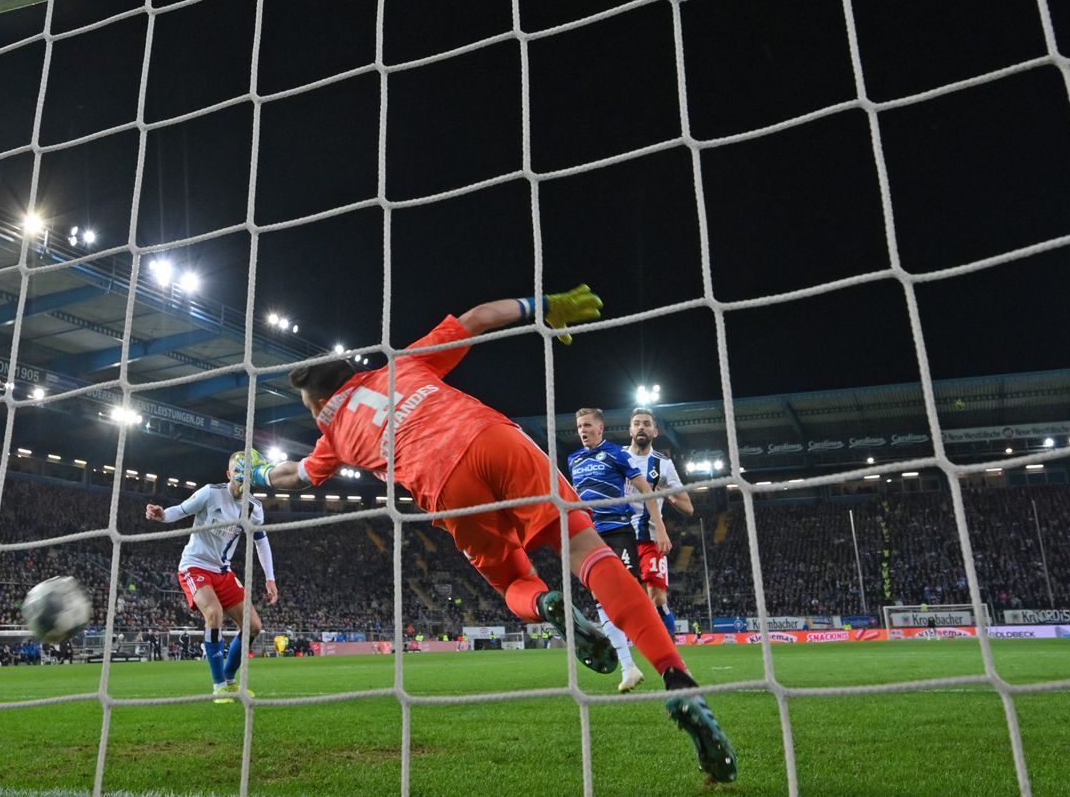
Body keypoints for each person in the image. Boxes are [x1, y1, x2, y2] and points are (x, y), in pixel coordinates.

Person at [241, 286, 736, 782]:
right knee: (585, 549)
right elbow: (475, 318)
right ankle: (677, 679)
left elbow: (293, 477)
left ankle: (546, 606)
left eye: (309, 408)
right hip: (491, 437)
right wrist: (539, 308)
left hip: (445, 486)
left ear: (322, 402)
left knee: (513, 584)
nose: (312, 415)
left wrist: (255, 474)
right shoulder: (401, 365)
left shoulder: (334, 435)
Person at [146, 450, 279, 703]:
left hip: (222, 570)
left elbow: (261, 542)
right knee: (214, 614)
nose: (242, 480)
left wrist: (270, 578)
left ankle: (229, 680)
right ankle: (218, 686)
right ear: (228, 474)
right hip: (194, 565)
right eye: (238, 475)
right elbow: (180, 511)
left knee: (253, 626)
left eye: (248, 475)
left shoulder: (254, 507)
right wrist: (161, 515)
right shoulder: (210, 493)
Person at [567, 407, 655, 693]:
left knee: (631, 594)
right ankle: (628, 667)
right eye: (580, 426)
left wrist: (660, 527)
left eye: (588, 425)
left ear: (600, 428)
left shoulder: (616, 453)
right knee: (600, 597)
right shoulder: (573, 459)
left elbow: (645, 489)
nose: (583, 430)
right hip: (590, 536)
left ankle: (662, 656)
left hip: (618, 530)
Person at [627, 409, 693, 658]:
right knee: (625, 597)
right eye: (636, 424)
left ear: (655, 432)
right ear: (630, 430)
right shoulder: (617, 457)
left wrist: (665, 491)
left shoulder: (663, 464)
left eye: (646, 424)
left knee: (656, 598)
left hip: (652, 537)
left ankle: (669, 650)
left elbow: (688, 507)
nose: (641, 427)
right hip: (620, 535)